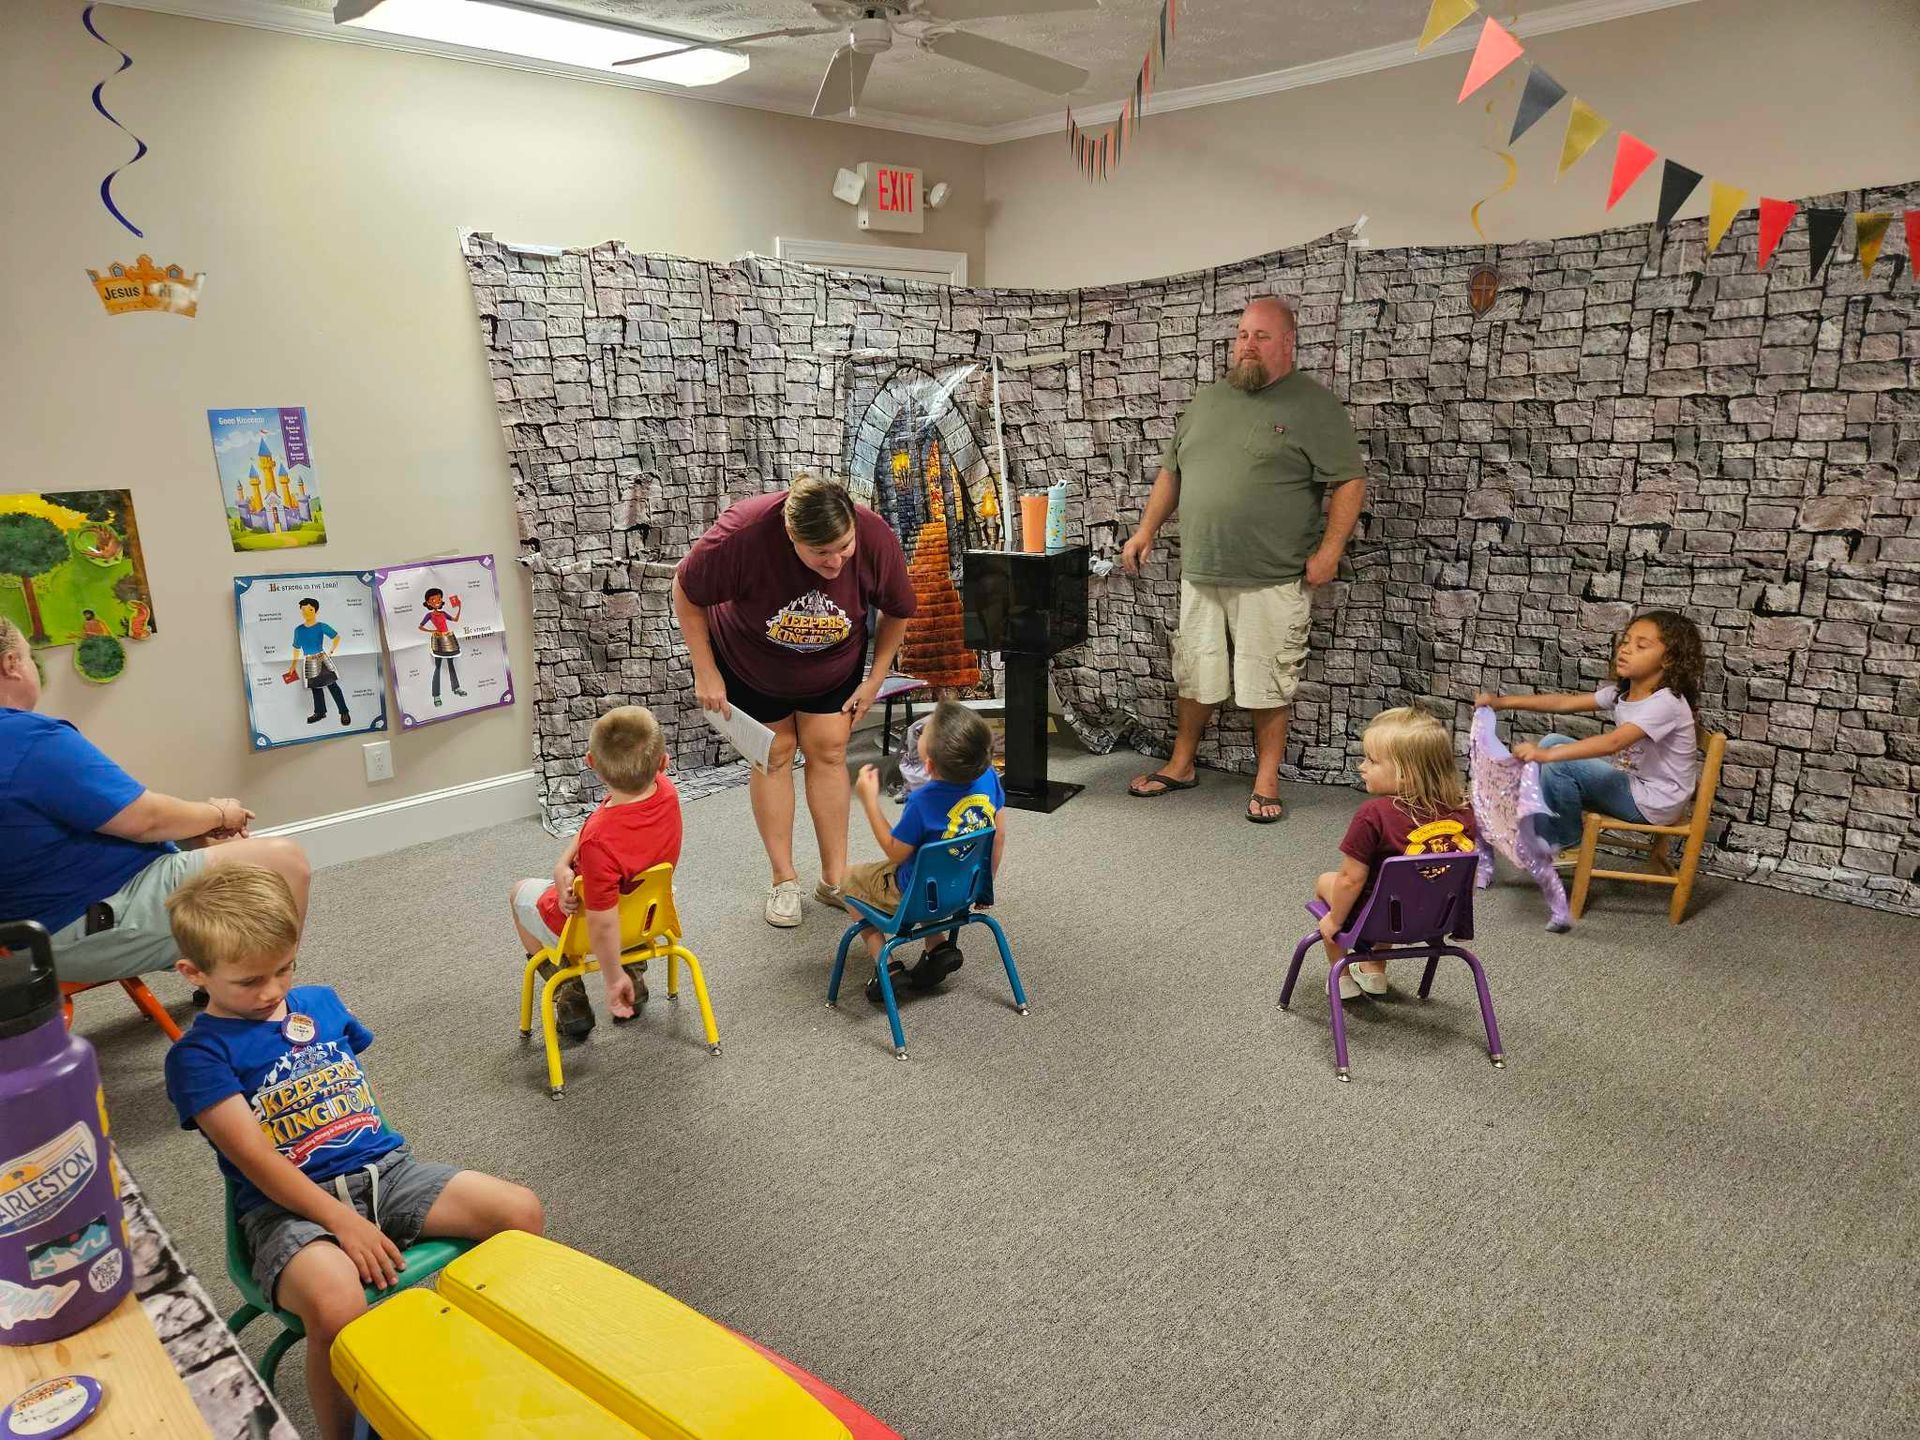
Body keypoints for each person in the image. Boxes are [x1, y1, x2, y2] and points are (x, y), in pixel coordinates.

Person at [163, 865, 543, 1440]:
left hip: (387, 1174)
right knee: (338, 1303)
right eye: (248, 982)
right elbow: (255, 1161)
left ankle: (495, 1368)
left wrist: (364, 1201)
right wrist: (342, 1220)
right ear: (193, 973)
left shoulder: (318, 1002)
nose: (271, 993)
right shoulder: (198, 1055)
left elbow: (347, 1088)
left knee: (521, 1213)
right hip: (284, 1212)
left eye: (283, 969)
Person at [1120, 297, 1368, 824]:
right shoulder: (1208, 401)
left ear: (1287, 343)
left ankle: (1266, 779)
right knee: (1195, 674)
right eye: (1241, 335)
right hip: (1202, 569)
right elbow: (1173, 473)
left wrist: (1330, 551)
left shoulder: (1314, 406)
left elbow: (1349, 479)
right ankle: (1182, 764)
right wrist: (1145, 530)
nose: (1247, 345)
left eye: (1260, 335)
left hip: (1272, 574)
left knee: (1268, 680)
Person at [0, 615, 311, 987]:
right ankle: (264, 990)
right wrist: (220, 812)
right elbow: (145, 820)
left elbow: (118, 816)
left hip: (26, 931)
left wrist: (201, 826)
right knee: (284, 861)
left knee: (199, 838)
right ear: (11, 665)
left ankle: (229, 978)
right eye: (29, 656)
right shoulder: (28, 739)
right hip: (73, 931)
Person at [674, 476, 916, 928]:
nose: (836, 560)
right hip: (750, 663)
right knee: (776, 755)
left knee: (828, 749)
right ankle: (784, 880)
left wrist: (875, 679)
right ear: (790, 536)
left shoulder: (874, 535)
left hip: (833, 663)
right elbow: (686, 592)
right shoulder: (742, 532)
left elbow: (898, 609)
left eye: (843, 546)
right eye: (820, 552)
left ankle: (834, 878)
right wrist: (705, 671)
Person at [508, 705, 681, 1040]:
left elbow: (602, 924)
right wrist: (563, 864)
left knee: (518, 893)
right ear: (664, 763)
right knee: (624, 893)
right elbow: (598, 821)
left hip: (587, 926)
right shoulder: (667, 793)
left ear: (591, 764)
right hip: (649, 918)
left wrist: (612, 977)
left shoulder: (600, 840)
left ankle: (569, 994)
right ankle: (636, 974)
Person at [1475, 610, 1705, 854]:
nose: (1625, 650)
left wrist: (1546, 756)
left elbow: (1613, 742)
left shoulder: (1666, 703)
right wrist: (1502, 702)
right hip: (1635, 787)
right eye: (1625, 641)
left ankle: (1565, 841)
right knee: (1553, 741)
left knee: (1559, 759)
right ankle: (1545, 827)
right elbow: (1564, 703)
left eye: (1641, 646)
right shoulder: (1622, 694)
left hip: (1654, 803)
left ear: (1668, 659)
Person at [844, 701, 1006, 1001]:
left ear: (928, 765)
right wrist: (986, 886)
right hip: (965, 889)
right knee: (932, 866)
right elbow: (998, 836)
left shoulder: (922, 801)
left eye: (924, 733)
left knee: (849, 880)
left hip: (915, 894)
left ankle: (887, 967)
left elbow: (895, 853)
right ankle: (937, 944)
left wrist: (869, 802)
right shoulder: (989, 779)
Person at [1313, 706, 1479, 999]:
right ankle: (1375, 970)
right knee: (1394, 889)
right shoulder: (1464, 812)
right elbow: (1468, 872)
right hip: (1439, 916)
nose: (1361, 766)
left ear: (1406, 774)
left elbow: (1350, 879)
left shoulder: (1372, 814)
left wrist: (1335, 920)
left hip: (1384, 915)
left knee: (1327, 881)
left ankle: (1341, 975)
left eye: (1372, 761)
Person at [290, 596, 350, 727]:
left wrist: (331, 652)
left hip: (322, 658)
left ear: (316, 611)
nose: (306, 612)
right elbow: (296, 648)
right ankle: (320, 712)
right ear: (300, 611)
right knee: (315, 689)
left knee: (333, 686)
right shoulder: (298, 630)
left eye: (310, 610)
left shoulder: (322, 626)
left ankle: (344, 711)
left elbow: (336, 637)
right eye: (303, 610)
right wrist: (292, 666)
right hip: (308, 661)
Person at [418, 587, 466, 706]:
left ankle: (456, 688)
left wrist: (459, 607)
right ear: (428, 603)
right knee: (438, 666)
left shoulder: (443, 613)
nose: (437, 602)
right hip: (438, 640)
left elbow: (455, 619)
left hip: (448, 639)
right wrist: (432, 631)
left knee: (451, 664)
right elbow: (420, 626)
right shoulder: (429, 615)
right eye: (433, 600)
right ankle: (436, 695)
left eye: (439, 599)